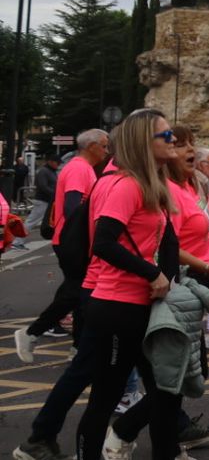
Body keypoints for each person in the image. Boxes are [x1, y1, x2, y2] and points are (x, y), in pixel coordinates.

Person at [105, 124, 209, 455]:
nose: (188, 149)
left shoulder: (191, 188)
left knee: (183, 375)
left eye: (191, 143)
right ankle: (124, 430)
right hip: (165, 290)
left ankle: (168, 443)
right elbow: (146, 244)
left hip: (187, 289)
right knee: (171, 378)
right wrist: (206, 267)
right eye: (178, 144)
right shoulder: (163, 190)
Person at [69, 109, 184, 460]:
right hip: (117, 309)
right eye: (166, 136)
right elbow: (103, 243)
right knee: (105, 398)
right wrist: (153, 275)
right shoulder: (126, 185)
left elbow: (166, 244)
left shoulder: (154, 185)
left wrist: (170, 280)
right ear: (143, 142)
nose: (174, 140)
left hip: (146, 308)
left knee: (167, 392)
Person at [16, 129, 110, 361]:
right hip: (73, 241)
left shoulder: (82, 168)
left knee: (78, 294)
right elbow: (72, 208)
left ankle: (77, 348)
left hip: (73, 240)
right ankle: (31, 332)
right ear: (92, 146)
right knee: (75, 292)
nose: (107, 152)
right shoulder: (79, 168)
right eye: (105, 146)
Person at [24, 155, 59, 240]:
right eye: (57, 162)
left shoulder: (51, 171)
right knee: (31, 221)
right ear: (50, 161)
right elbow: (43, 186)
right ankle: (17, 241)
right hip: (43, 200)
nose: (58, 164)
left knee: (33, 221)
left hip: (47, 200)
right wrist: (54, 193)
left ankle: (17, 241)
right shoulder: (44, 171)